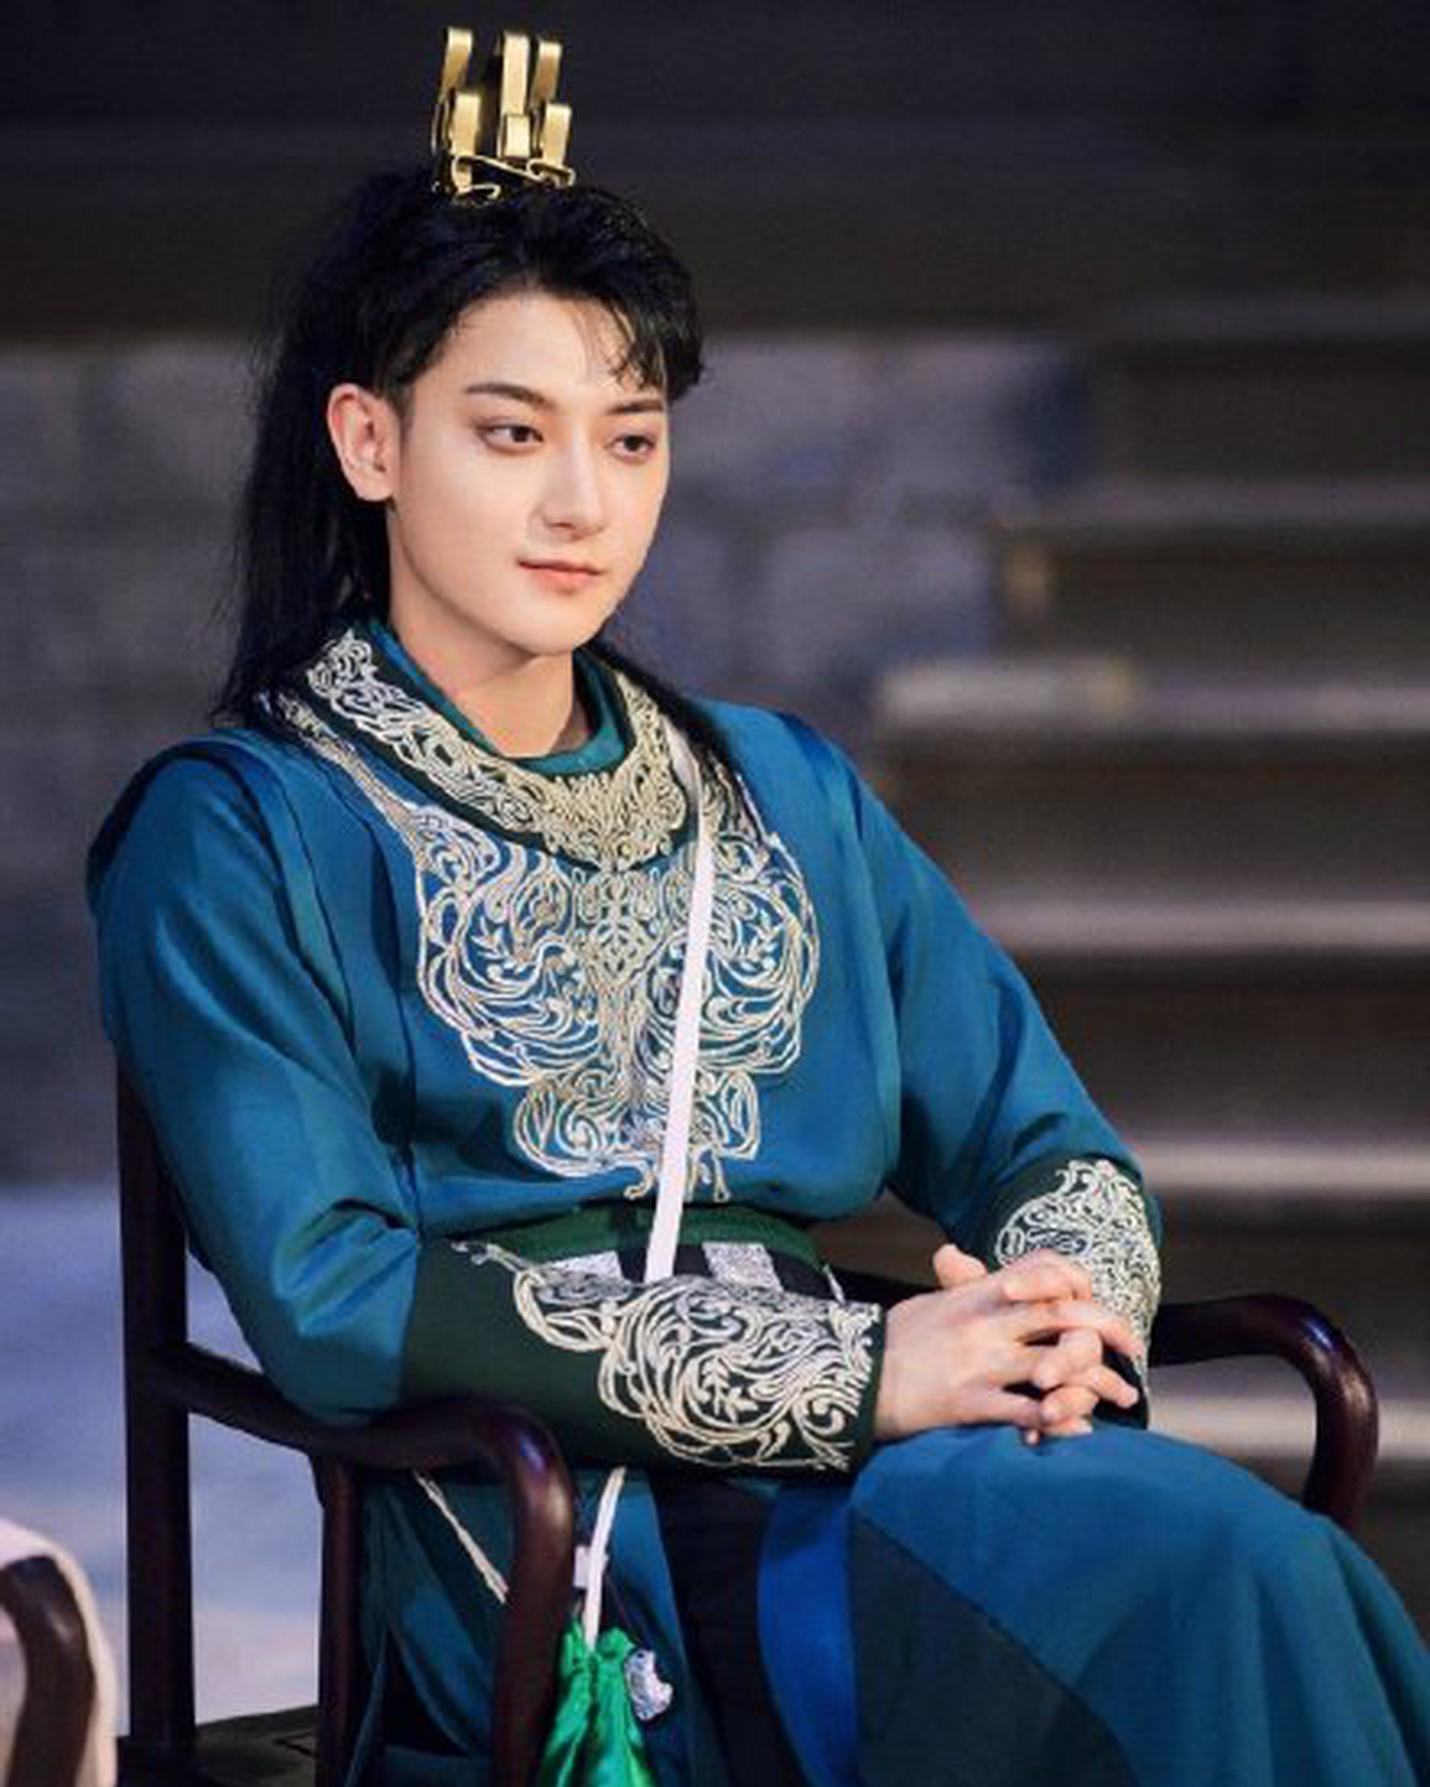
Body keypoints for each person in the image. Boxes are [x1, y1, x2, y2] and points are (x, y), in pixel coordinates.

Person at [88, 26, 1430, 1787]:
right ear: (370, 440)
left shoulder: (780, 792)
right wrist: (856, 1381)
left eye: (631, 438)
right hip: (549, 1527)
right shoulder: (238, 832)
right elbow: (330, 1297)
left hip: (893, 1456)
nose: (582, 503)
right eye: (511, 433)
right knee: (1218, 1586)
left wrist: (1056, 1313)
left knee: (1243, 1577)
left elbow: (1049, 1145)